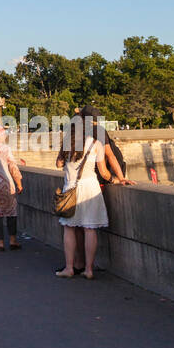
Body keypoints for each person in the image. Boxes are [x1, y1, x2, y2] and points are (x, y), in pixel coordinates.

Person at [55, 114, 128, 279]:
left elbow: (58, 164)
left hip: (70, 189)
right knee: (90, 228)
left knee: (69, 228)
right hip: (90, 189)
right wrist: (117, 179)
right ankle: (88, 269)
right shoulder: (96, 144)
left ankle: (69, 268)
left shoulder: (66, 145)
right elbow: (103, 172)